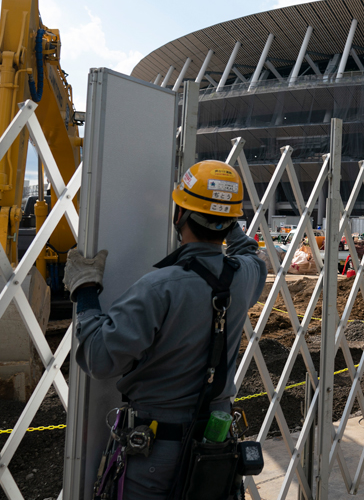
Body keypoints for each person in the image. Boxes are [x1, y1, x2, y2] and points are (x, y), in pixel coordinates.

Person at [67, 160, 267, 500]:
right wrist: (224, 213)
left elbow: (99, 358)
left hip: (154, 458)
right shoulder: (245, 276)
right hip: (214, 455)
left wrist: (85, 290)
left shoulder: (160, 287)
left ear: (180, 215)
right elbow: (248, 251)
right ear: (232, 221)